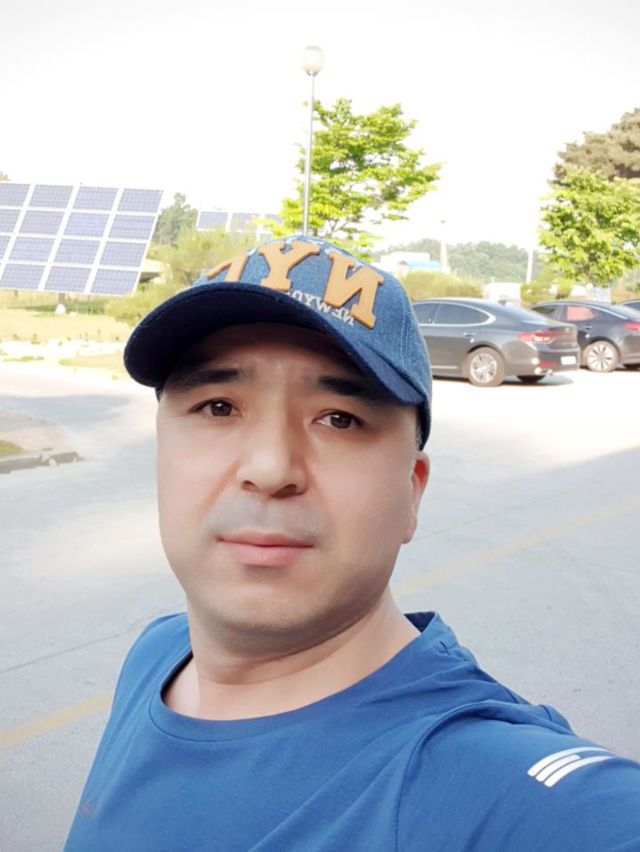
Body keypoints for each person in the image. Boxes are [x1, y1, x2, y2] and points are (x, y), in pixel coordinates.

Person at [65, 235, 640, 851]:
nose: (270, 467)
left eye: (339, 419)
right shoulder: (158, 654)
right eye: (218, 407)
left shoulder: (500, 792)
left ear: (411, 492)